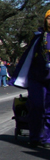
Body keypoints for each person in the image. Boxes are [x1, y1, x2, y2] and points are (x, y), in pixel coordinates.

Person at [11, 10, 50, 148]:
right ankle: (35, 136)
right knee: (37, 106)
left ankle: (47, 139)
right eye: (49, 18)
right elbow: (27, 58)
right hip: (37, 78)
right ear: (45, 21)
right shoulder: (39, 38)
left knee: (49, 110)